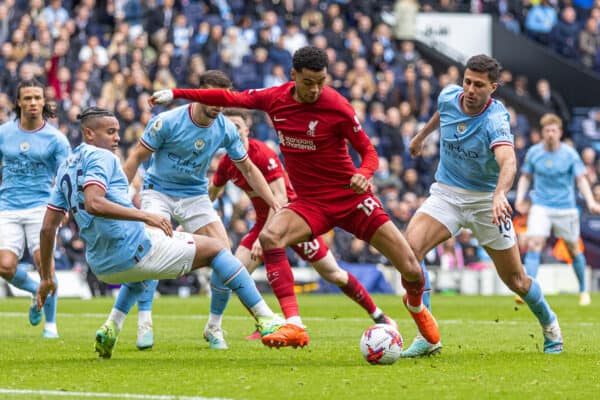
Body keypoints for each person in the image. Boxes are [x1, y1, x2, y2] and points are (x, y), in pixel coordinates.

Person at [150, 45, 439, 349]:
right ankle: (295, 325)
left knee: (409, 266)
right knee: (271, 236)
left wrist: (364, 174)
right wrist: (176, 93)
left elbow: (369, 152)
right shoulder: (274, 98)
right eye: (308, 82)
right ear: (293, 76)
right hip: (311, 202)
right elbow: (228, 98)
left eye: (321, 82)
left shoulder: (337, 106)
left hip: (351, 199)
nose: (315, 89)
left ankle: (417, 309)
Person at [36, 107, 283, 359]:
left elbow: (47, 229)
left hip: (102, 265)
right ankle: (265, 318)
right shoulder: (104, 158)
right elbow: (94, 203)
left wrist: (46, 277)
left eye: (118, 132)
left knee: (144, 271)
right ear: (89, 133)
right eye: (110, 132)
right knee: (217, 249)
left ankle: (112, 325)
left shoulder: (66, 166)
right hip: (136, 248)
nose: (117, 138)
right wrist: (145, 215)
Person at [100, 71, 280, 351]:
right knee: (147, 252)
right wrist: (120, 198)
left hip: (195, 195)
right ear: (199, 93)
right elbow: (136, 157)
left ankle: (214, 327)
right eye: (212, 97)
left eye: (223, 98)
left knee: (223, 252)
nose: (218, 105)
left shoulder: (225, 129)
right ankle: (139, 322)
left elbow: (247, 168)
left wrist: (274, 203)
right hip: (158, 192)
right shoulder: (168, 122)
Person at [407, 54, 563, 357]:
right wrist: (421, 136)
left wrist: (499, 194)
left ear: (493, 87)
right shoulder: (449, 95)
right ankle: (427, 336)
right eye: (467, 81)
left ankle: (550, 324)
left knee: (516, 280)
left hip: (485, 201)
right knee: (409, 252)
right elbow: (442, 112)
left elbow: (508, 161)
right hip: (447, 194)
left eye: (479, 85)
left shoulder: (495, 120)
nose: (470, 89)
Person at [209, 108, 398, 338]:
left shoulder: (262, 154)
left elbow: (280, 199)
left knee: (334, 274)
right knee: (235, 273)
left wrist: (263, 235)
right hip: (264, 224)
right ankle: (268, 322)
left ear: (247, 129)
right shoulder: (227, 163)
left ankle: (378, 314)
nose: (233, 132)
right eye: (228, 127)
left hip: (294, 220)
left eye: (237, 126)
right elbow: (212, 193)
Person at [0, 78, 71, 338]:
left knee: (46, 266)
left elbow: (67, 178)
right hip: (7, 207)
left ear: (44, 102)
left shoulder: (56, 139)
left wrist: (63, 210)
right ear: (18, 102)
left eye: (37, 98)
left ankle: (50, 325)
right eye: (27, 98)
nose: (32, 103)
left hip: (42, 207)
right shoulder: (3, 133)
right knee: (5, 266)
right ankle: (34, 290)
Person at [515, 113, 600, 306]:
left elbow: (581, 180)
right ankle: (528, 291)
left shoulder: (570, 154)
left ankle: (583, 290)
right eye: (547, 130)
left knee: (572, 248)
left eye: (554, 130)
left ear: (560, 132)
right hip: (541, 206)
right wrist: (520, 198)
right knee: (534, 243)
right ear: (542, 133)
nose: (551, 134)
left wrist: (591, 202)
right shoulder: (534, 153)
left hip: (566, 208)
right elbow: (526, 177)